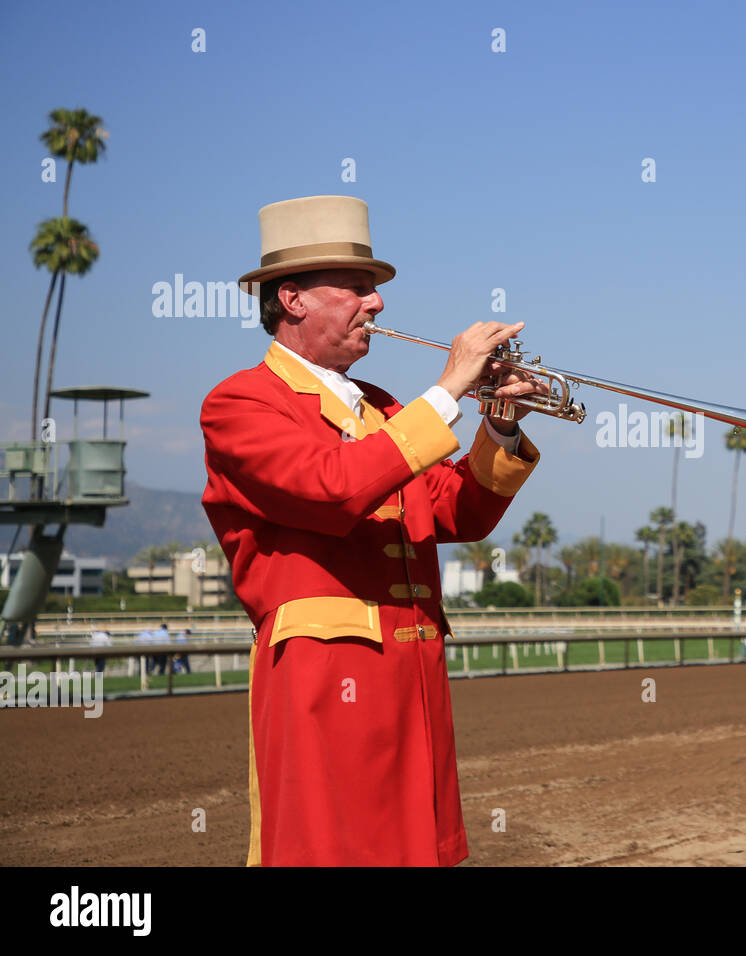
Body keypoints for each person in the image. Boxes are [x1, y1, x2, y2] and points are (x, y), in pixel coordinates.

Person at [202, 195, 544, 867]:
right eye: (358, 288)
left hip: (415, 689)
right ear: (293, 299)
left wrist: (497, 423)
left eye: (375, 289)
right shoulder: (241, 402)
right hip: (326, 689)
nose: (377, 303)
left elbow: (457, 512)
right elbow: (332, 488)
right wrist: (446, 391)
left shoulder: (386, 410)